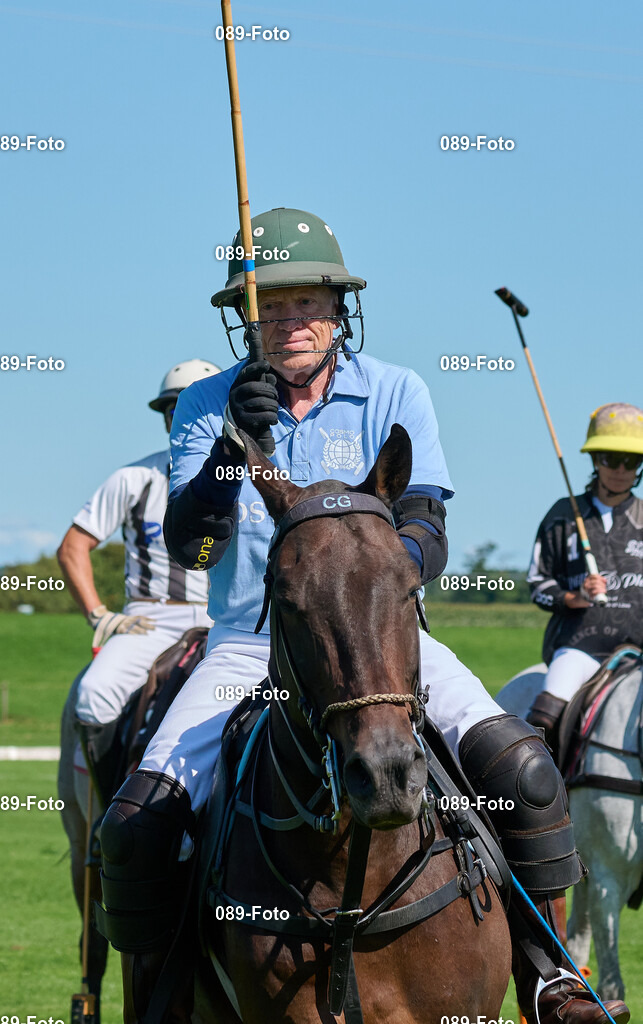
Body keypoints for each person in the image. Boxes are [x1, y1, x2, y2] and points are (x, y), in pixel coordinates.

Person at [96, 209, 629, 1024]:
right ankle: (160, 993)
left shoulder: (395, 390)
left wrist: (373, 585)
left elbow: (427, 528)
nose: (288, 323)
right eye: (268, 308)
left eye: (304, 303)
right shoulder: (210, 403)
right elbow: (192, 544)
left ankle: (549, 971)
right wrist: (231, 445)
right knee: (134, 829)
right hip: (252, 650)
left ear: (338, 307)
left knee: (522, 773)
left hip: (389, 640)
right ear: (245, 318)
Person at [57, 359, 220, 804]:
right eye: (176, 411)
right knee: (95, 695)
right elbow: (73, 547)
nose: (185, 421)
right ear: (167, 418)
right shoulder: (133, 479)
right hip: (151, 622)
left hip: (230, 623)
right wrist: (99, 615)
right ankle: (111, 812)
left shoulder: (250, 479)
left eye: (202, 410)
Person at [527, 403, 643, 749]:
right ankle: (539, 794)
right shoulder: (564, 514)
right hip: (580, 649)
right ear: (595, 460)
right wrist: (573, 597)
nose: (620, 470)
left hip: (638, 649)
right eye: (610, 458)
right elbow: (537, 583)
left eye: (631, 461)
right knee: (545, 715)